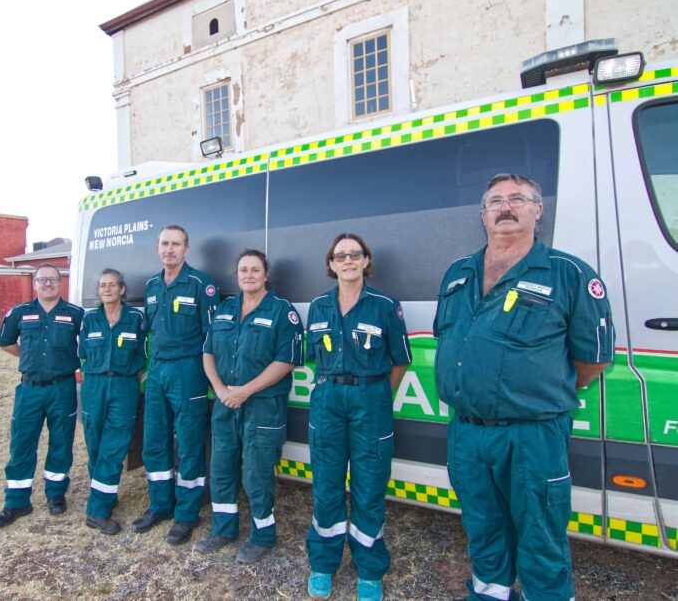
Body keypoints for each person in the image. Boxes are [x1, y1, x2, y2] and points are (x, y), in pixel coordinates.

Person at [433, 173, 614, 601]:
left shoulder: (568, 274)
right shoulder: (458, 272)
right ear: (483, 216)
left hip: (533, 434)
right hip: (468, 433)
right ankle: (490, 593)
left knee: (540, 535)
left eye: (517, 198)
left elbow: (592, 359)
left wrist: (534, 393)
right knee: (482, 527)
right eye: (495, 201)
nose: (505, 207)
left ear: (538, 210)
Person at [305, 233, 411, 601]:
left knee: (368, 487)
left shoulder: (385, 305)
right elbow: (312, 357)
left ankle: (369, 569)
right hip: (328, 398)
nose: (348, 260)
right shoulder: (318, 306)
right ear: (331, 265)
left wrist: (376, 393)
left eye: (355, 254)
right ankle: (323, 563)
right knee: (327, 484)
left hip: (371, 396)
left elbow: (400, 361)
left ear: (366, 261)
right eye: (340, 256)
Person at [193, 249, 303, 563]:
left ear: (266, 275)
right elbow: (208, 352)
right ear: (237, 275)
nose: (249, 275)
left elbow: (287, 361)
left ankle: (262, 535)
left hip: (263, 406)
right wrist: (219, 389)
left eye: (255, 270)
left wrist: (246, 391)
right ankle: (224, 529)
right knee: (221, 468)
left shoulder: (283, 311)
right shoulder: (226, 308)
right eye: (243, 270)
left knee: (256, 473)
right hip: (226, 403)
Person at [133, 225, 219, 545]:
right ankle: (160, 506)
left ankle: (186, 514)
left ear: (187, 248)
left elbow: (213, 337)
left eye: (176, 244)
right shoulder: (152, 286)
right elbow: (149, 331)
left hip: (188, 371)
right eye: (165, 244)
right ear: (157, 247)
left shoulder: (201, 284)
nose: (170, 249)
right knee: (154, 440)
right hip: (157, 372)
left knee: (189, 442)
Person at [0, 263, 84, 528]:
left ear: (60, 283)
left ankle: (55, 494)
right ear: (35, 284)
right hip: (30, 388)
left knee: (61, 441)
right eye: (42, 280)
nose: (48, 284)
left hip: (62, 387)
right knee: (22, 443)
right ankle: (17, 501)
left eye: (53, 280)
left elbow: (87, 345)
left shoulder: (75, 314)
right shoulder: (20, 313)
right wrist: (28, 357)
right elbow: (5, 342)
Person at [78, 268, 146, 535]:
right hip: (94, 385)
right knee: (94, 444)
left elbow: (144, 355)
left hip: (124, 385)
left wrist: (131, 381)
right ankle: (105, 492)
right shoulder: (89, 320)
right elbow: (82, 352)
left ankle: (97, 511)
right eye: (102, 285)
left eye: (112, 285)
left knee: (113, 446)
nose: (106, 289)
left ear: (122, 290)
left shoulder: (135, 319)